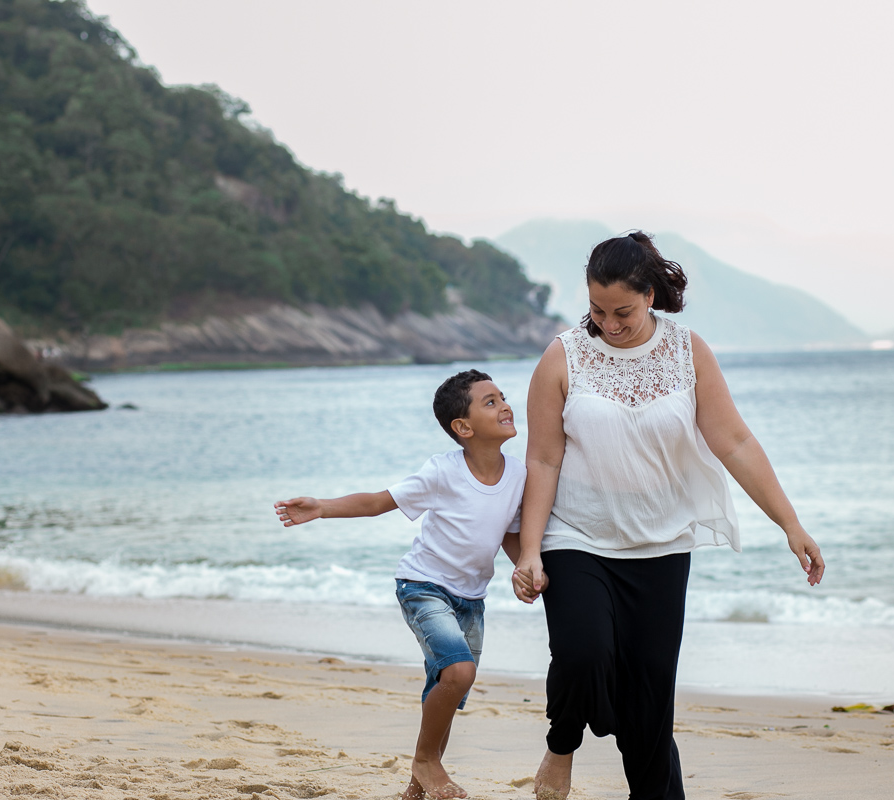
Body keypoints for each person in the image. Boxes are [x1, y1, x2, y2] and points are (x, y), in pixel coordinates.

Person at [511, 231, 825, 800]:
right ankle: (562, 746)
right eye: (597, 310)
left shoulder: (687, 351)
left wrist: (791, 524)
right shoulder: (563, 356)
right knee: (584, 652)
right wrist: (530, 549)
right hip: (577, 536)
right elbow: (542, 457)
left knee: (650, 699)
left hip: (660, 546)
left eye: (623, 311)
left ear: (650, 294)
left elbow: (735, 443)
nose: (609, 323)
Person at [275, 369, 538, 800]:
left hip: (471, 599)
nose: (505, 405)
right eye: (490, 402)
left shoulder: (518, 476)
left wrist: (525, 568)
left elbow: (509, 533)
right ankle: (426, 762)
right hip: (423, 586)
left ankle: (417, 786)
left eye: (503, 397)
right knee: (458, 673)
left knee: (448, 690)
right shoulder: (443, 471)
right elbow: (379, 502)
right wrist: (321, 506)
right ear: (464, 428)